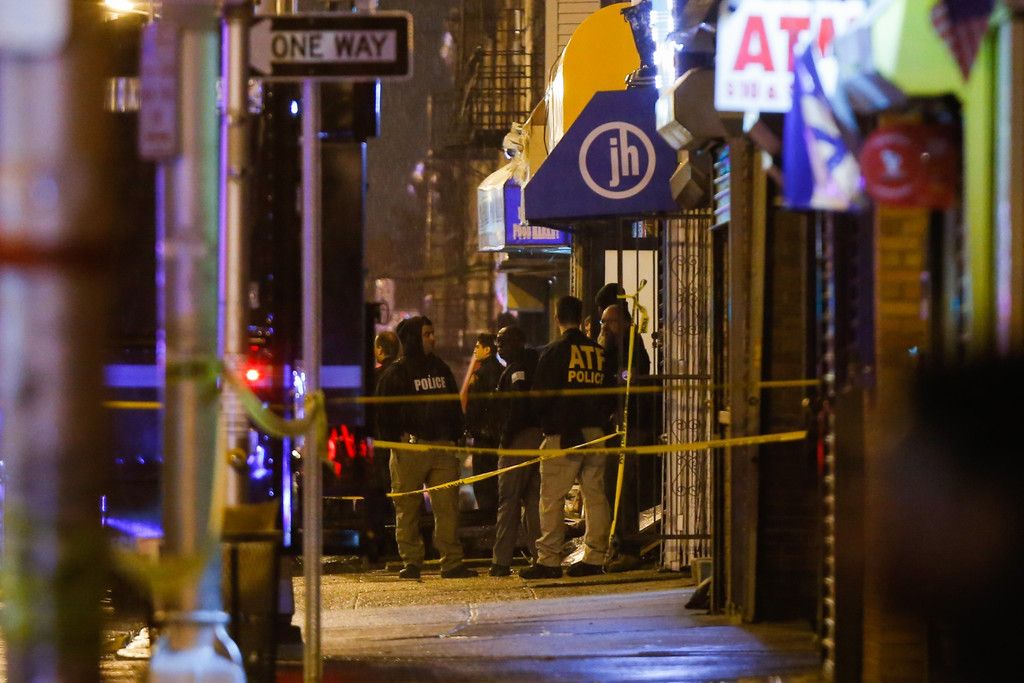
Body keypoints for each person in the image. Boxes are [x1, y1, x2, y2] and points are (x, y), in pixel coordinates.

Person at [520, 296, 616, 579]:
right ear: (580, 316)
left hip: (563, 434)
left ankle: (549, 560)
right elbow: (610, 395)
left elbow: (540, 397)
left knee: (552, 498)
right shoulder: (597, 352)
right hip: (595, 432)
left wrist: (547, 422)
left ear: (557, 318)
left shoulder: (555, 351)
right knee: (595, 496)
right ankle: (595, 557)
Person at [375, 316, 477, 579]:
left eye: (432, 333)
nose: (433, 338)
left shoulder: (440, 368)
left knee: (447, 508)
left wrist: (456, 435)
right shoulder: (396, 373)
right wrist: (393, 442)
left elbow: (453, 405)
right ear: (413, 338)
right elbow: (384, 414)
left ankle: (451, 562)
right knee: (407, 508)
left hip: (442, 448)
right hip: (410, 448)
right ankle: (411, 561)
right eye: (427, 334)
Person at [599, 302, 654, 573]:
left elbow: (628, 377)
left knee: (623, 489)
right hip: (619, 427)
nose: (604, 328)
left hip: (632, 426)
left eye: (609, 322)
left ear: (624, 322)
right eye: (602, 322)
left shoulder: (631, 345)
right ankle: (620, 544)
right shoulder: (613, 348)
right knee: (613, 488)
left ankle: (629, 549)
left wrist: (619, 377)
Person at [488, 325, 542, 577]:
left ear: (518, 342)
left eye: (503, 341)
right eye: (497, 342)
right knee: (533, 500)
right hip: (535, 438)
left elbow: (519, 404)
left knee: (508, 500)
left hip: (518, 441)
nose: (498, 346)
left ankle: (501, 561)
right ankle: (541, 557)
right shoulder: (530, 365)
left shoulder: (517, 369)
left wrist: (506, 435)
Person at [365, 330, 401, 563]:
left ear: (380, 350)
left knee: (380, 493)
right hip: (401, 444)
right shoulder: (402, 374)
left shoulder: (376, 377)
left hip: (379, 445)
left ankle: (380, 547)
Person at [460, 332, 503, 515]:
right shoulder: (504, 372)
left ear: (487, 350)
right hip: (501, 440)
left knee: (483, 487)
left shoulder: (479, 376)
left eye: (478, 346)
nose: (475, 350)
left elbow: (474, 407)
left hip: (483, 441)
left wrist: (468, 429)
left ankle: (487, 522)